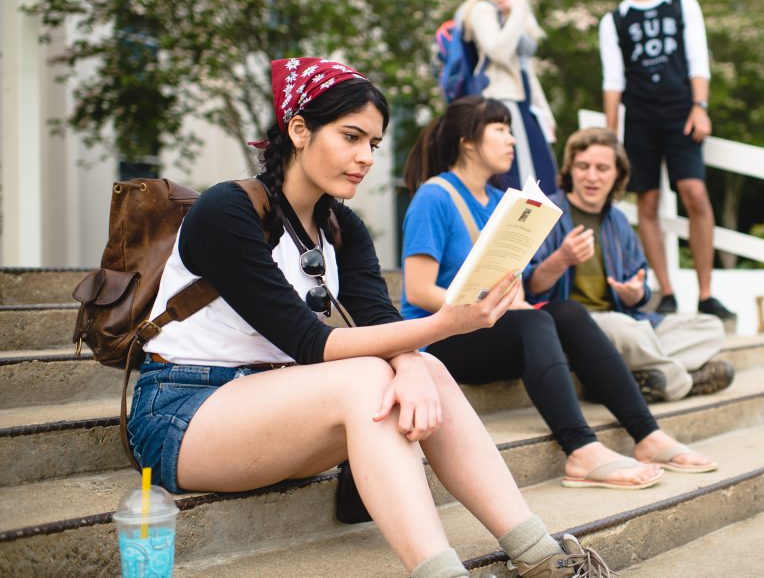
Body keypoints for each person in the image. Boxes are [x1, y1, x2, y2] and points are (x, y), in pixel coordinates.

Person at [127, 57, 610, 578]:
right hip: (181, 411)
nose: (365, 158)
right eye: (351, 137)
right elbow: (309, 342)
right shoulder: (229, 210)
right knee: (370, 379)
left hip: (275, 411)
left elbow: (379, 319)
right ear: (299, 130)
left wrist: (412, 364)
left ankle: (544, 558)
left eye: (374, 145)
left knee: (425, 370)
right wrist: (448, 324)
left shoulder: (342, 226)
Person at [402, 95, 719, 490]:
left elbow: (509, 280)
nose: (511, 140)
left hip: (483, 329)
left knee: (566, 311)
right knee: (534, 322)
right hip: (439, 337)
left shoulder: (502, 201)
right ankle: (581, 449)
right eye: (500, 130)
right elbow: (417, 290)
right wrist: (484, 310)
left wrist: (505, 303)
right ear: (468, 141)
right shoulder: (435, 197)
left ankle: (648, 435)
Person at [526, 128, 734, 404]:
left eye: (602, 168)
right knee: (628, 330)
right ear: (570, 170)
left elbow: (641, 288)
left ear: (617, 175)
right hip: (577, 326)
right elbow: (529, 287)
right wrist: (561, 258)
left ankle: (621, 378)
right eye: (583, 166)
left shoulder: (619, 222)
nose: (591, 176)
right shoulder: (545, 213)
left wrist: (635, 293)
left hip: (626, 321)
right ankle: (681, 384)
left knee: (709, 327)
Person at [599, 0, 735, 321]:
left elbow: (697, 60)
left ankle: (707, 293)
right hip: (639, 118)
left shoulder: (682, 5)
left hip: (681, 113)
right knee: (648, 202)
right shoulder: (615, 19)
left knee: (695, 194)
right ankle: (668, 290)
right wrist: (610, 137)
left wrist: (700, 106)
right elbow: (613, 81)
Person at [459, 0, 558, 193]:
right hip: (501, 104)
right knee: (522, 181)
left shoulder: (508, 10)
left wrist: (544, 112)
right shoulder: (482, 9)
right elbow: (498, 52)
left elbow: (526, 69)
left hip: (523, 104)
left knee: (541, 175)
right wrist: (517, 13)